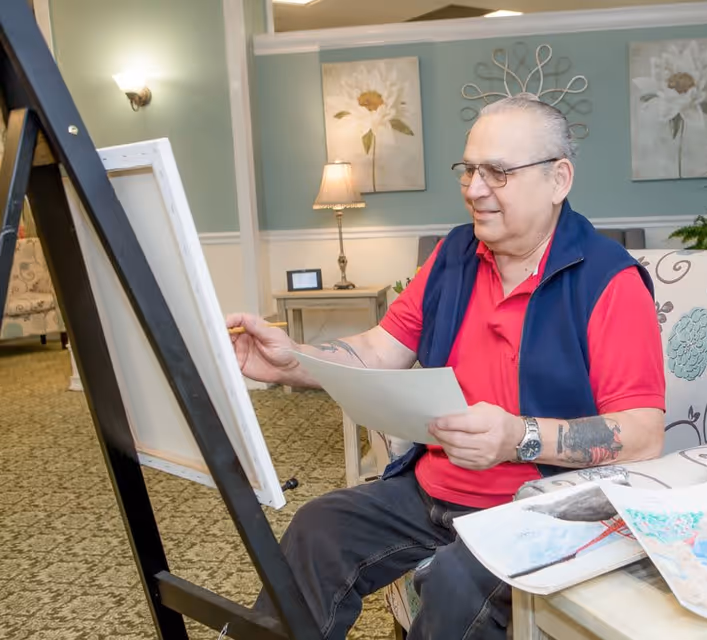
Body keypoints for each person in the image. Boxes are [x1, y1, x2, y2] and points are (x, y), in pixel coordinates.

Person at [227, 93, 666, 639]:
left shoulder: (610, 281)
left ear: (559, 179)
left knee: (457, 583)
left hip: (535, 507)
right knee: (318, 526)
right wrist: (291, 359)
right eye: (470, 170)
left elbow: (643, 435)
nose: (475, 190)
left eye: (498, 172)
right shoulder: (453, 255)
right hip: (429, 491)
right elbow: (377, 349)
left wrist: (517, 437)